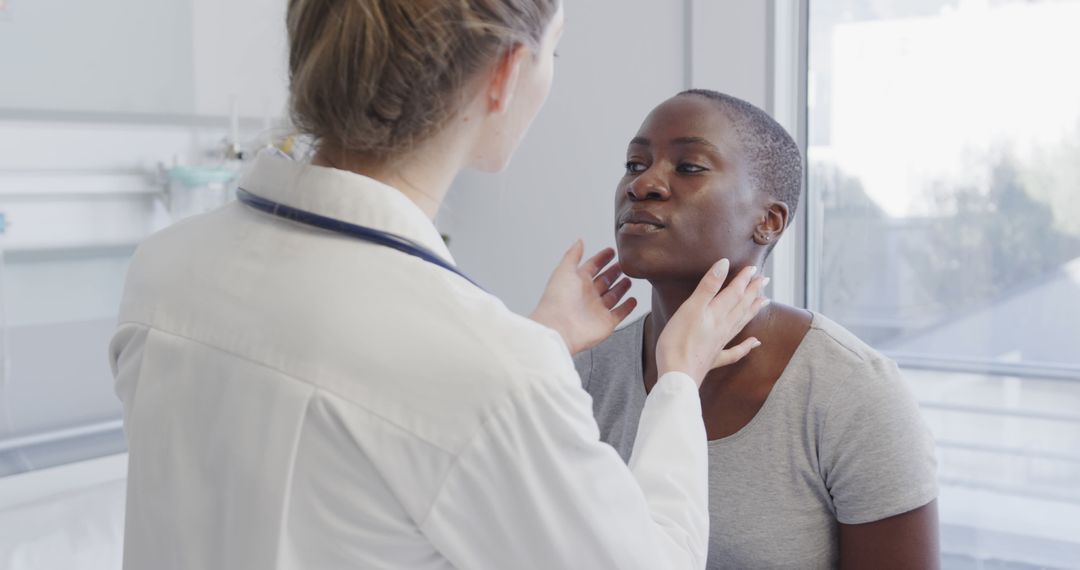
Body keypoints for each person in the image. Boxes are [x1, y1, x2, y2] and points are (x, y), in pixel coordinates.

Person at [108, 3, 769, 569]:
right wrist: (679, 376)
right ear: (505, 74)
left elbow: (344, 454)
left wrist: (534, 342)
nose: (647, 182)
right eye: (554, 56)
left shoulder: (165, 270)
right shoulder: (488, 372)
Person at [574, 89, 940, 569]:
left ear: (768, 222)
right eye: (634, 164)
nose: (643, 185)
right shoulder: (586, 371)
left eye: (688, 167)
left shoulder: (853, 394)